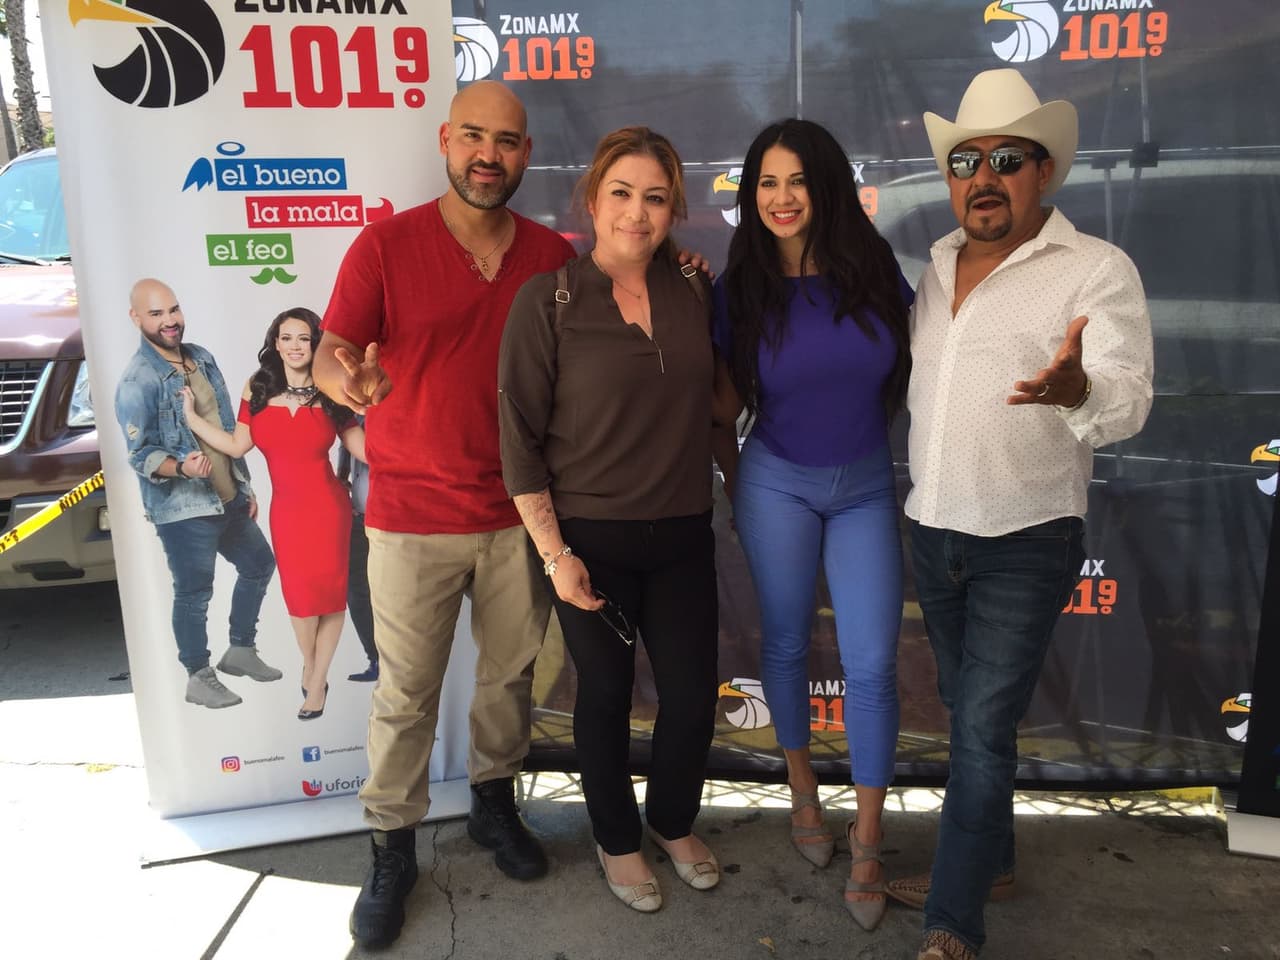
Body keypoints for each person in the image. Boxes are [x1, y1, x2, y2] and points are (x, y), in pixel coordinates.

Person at [885, 69, 1153, 960]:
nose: (984, 176)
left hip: (1027, 538)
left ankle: (953, 923)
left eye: (1008, 158)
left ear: (1044, 172)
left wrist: (1082, 388)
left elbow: (1129, 400)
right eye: (967, 160)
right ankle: (989, 861)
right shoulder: (933, 268)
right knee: (966, 712)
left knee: (984, 730)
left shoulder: (1096, 270)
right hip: (935, 526)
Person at [313, 81, 577, 950]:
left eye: (505, 142)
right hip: (409, 515)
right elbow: (330, 354)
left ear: (527, 153)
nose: (487, 156)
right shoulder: (385, 246)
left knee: (508, 679)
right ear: (444, 139)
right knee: (406, 694)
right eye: (473, 136)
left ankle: (493, 811)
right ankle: (391, 849)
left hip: (518, 515)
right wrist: (346, 380)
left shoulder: (551, 255)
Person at [499, 125, 735, 914]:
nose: (637, 212)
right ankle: (618, 838)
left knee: (694, 694)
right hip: (589, 539)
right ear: (593, 200)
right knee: (602, 693)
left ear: (675, 211)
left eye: (656, 197)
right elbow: (519, 440)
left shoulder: (695, 288)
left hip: (680, 532)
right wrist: (554, 554)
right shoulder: (549, 300)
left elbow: (719, 403)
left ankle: (670, 822)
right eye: (622, 193)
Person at [713, 118, 912, 932]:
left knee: (871, 664)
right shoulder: (740, 287)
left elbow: (905, 369)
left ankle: (868, 838)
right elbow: (723, 399)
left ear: (827, 186)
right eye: (766, 182)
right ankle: (802, 794)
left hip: (865, 485)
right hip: (776, 484)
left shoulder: (874, 268)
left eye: (796, 181)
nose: (781, 198)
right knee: (787, 646)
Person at [181, 308, 366, 721]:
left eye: (304, 338)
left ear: (316, 344)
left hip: (329, 510)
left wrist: (392, 412)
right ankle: (312, 665)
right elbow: (235, 445)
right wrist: (192, 418)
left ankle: (316, 683)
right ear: (275, 342)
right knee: (301, 602)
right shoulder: (257, 387)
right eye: (287, 338)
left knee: (331, 598)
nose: (296, 346)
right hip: (288, 512)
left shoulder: (333, 392)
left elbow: (364, 450)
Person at [113, 278, 281, 710]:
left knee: (260, 565)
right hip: (184, 508)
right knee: (194, 592)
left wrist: (243, 485)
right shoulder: (139, 379)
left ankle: (240, 650)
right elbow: (139, 453)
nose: (169, 320)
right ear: (136, 318)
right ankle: (198, 675)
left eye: (173, 309)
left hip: (226, 497)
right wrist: (180, 467)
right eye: (156, 313)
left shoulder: (201, 358)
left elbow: (226, 427)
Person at [336, 431, 378, 683]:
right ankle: (376, 659)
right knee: (355, 589)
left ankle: (395, 661)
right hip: (359, 516)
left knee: (392, 592)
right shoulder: (352, 415)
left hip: (392, 519)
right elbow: (345, 445)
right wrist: (341, 476)